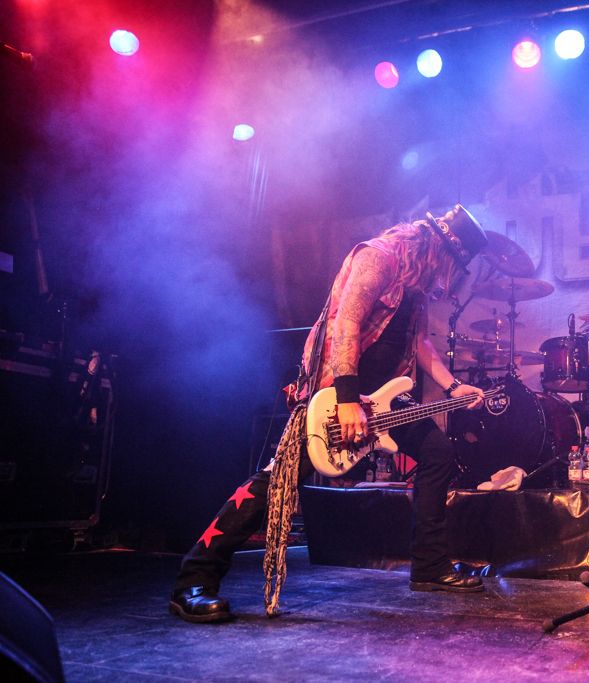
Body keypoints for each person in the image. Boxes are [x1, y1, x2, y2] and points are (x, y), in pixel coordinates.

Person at [170, 205, 490, 623]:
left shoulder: (415, 286)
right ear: (440, 252)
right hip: (336, 394)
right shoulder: (379, 257)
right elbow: (346, 325)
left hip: (384, 400)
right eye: (453, 267)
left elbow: (420, 345)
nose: (448, 280)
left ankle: (430, 566)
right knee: (278, 482)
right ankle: (194, 578)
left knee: (437, 453)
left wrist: (452, 387)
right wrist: (346, 399)